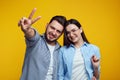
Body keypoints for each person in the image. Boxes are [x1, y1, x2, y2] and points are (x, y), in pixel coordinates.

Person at [18, 8, 66, 80]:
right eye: (52, 28)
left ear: (61, 34)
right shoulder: (36, 41)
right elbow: (31, 35)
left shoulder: (61, 51)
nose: (54, 33)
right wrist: (27, 29)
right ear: (47, 25)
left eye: (58, 31)